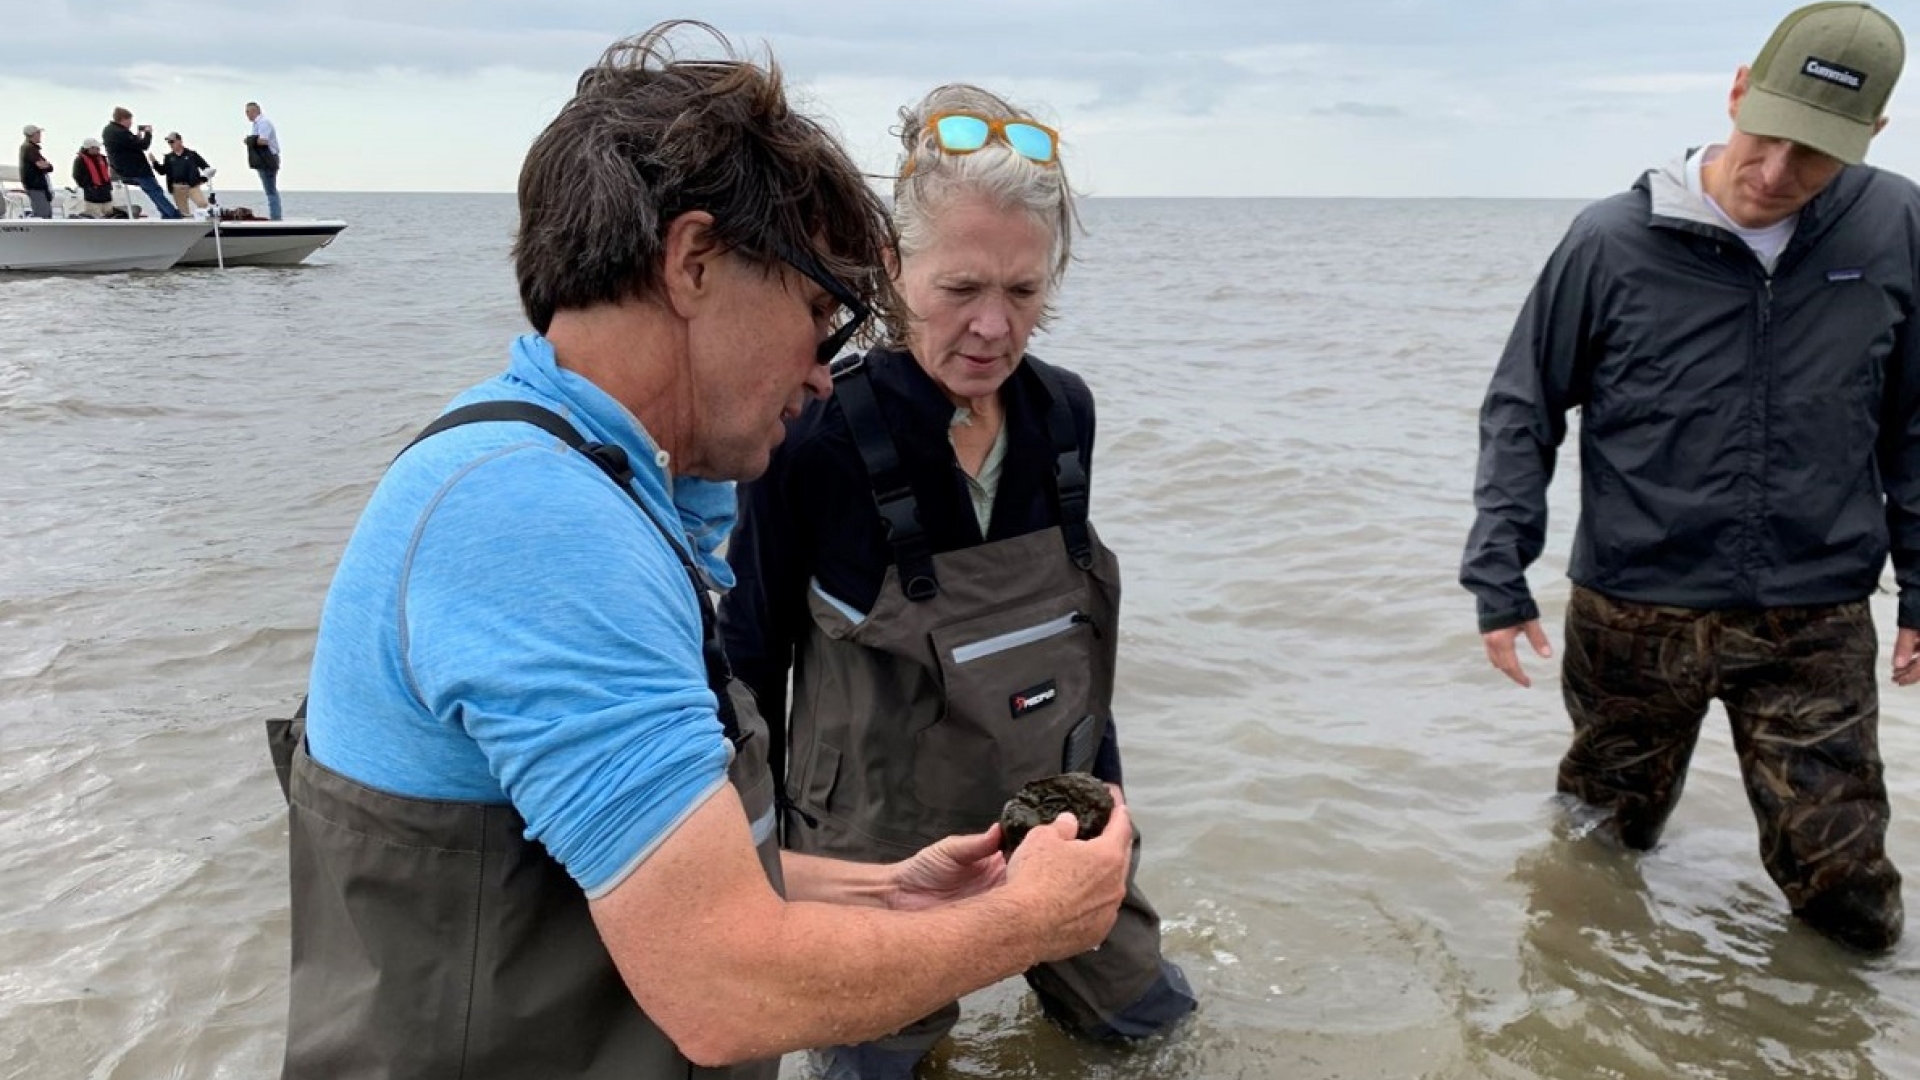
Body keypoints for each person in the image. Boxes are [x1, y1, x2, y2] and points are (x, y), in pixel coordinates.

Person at [273, 22, 1134, 1080]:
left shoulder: (592, 487)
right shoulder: (533, 525)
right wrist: (1025, 926)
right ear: (693, 264)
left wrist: (886, 888)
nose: (826, 372)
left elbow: (638, 867)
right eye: (817, 310)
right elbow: (724, 989)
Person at [720, 85, 1197, 1079]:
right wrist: (756, 870)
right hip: (872, 834)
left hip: (1052, 811)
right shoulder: (811, 436)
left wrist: (1112, 805)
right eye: (962, 288)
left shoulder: (1066, 416)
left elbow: (1081, 646)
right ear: (894, 268)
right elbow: (753, 658)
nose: (992, 327)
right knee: (878, 1065)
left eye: (1023, 293)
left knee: (1153, 1032)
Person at [1461, 1, 1914, 952]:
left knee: (1847, 889)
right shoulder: (1609, 241)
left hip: (1816, 617)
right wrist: (1499, 576)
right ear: (1740, 90)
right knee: (1595, 861)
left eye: (1818, 155)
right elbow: (1523, 408)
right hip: (1634, 612)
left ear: (1871, 135)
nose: (1778, 175)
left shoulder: (1894, 225)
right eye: (1769, 138)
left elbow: (1913, 419)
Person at [101, 106, 181, 219]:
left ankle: (166, 214)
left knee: (152, 191)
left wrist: (135, 137)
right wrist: (148, 133)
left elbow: (128, 145)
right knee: (155, 191)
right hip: (136, 169)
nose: (131, 123)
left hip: (122, 169)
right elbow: (144, 145)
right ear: (123, 119)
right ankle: (172, 215)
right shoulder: (121, 132)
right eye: (129, 120)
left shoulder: (109, 131)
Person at [157, 133, 214, 217]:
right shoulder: (168, 157)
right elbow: (162, 171)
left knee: (203, 204)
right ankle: (190, 227)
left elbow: (207, 168)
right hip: (177, 188)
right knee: (184, 213)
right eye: (169, 142)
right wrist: (154, 163)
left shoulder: (192, 154)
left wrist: (202, 180)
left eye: (172, 141)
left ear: (180, 141)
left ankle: (203, 224)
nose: (170, 144)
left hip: (192, 186)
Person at [243, 101, 280, 220]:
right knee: (269, 190)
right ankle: (275, 216)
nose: (247, 115)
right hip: (261, 159)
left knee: (271, 191)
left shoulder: (263, 123)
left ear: (255, 110)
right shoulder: (256, 124)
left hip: (268, 159)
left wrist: (250, 140)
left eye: (248, 112)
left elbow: (264, 140)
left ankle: (276, 217)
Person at [71, 138, 115, 218]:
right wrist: (88, 187)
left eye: (98, 148)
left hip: (106, 195)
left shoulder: (103, 159)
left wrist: (108, 187)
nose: (98, 149)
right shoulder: (80, 160)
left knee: (110, 216)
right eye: (96, 148)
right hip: (91, 197)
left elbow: (108, 173)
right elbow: (77, 175)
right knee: (94, 216)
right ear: (89, 148)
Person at [17, 125, 54, 218]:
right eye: (38, 133)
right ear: (32, 135)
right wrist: (47, 165)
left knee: (45, 213)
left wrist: (47, 166)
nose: (40, 135)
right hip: (35, 186)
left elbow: (46, 166)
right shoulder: (29, 148)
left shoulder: (31, 148)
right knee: (43, 215)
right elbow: (41, 165)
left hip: (38, 186)